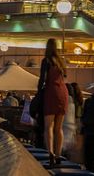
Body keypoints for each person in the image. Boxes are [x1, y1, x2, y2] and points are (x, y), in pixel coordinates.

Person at [38, 38, 69, 167]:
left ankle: (50, 152)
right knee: (59, 127)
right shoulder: (61, 61)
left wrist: (39, 92)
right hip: (63, 93)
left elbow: (42, 79)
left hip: (51, 92)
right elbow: (64, 77)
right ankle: (58, 155)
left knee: (49, 126)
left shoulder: (46, 61)